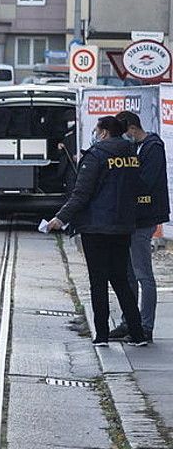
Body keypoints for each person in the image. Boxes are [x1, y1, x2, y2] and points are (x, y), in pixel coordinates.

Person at [45, 115, 148, 347]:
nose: (94, 134)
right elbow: (137, 186)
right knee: (121, 279)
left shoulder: (97, 156)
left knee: (98, 281)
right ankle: (137, 332)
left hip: (97, 227)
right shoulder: (131, 154)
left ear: (103, 133)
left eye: (96, 130)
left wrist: (60, 219)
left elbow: (81, 194)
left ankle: (101, 335)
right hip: (122, 226)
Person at [111, 111, 168, 342]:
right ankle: (130, 321)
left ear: (132, 129)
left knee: (143, 273)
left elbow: (145, 181)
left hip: (144, 218)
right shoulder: (135, 148)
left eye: (124, 134)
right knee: (128, 273)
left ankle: (145, 326)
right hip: (130, 218)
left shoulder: (152, 147)